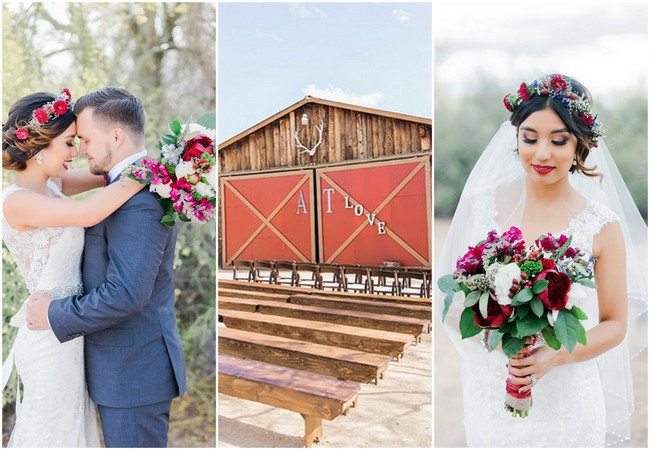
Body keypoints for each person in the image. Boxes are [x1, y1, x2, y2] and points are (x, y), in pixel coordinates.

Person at [437, 74, 647, 447]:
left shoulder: (602, 225)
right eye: (530, 138)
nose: (542, 153)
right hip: (491, 393)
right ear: (515, 138)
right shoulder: (481, 205)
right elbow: (452, 300)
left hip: (568, 398)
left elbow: (615, 325)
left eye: (559, 140)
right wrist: (497, 340)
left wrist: (556, 356)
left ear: (581, 145)